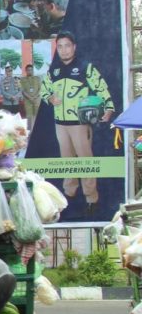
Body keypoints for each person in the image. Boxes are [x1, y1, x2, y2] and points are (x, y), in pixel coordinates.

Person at [40, 31, 115, 215]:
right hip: (60, 124)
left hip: (79, 123)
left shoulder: (85, 67)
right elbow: (43, 90)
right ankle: (69, 194)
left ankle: (91, 198)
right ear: (57, 49)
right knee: (66, 160)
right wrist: (50, 98)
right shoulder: (53, 71)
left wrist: (109, 107)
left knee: (85, 160)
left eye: (67, 46)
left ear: (74, 47)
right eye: (60, 46)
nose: (64, 50)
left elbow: (101, 87)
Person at [19, 64, 42, 130]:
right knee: (29, 117)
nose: (30, 71)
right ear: (26, 71)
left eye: (31, 70)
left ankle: (38, 130)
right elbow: (22, 90)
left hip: (36, 100)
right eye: (28, 70)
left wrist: (35, 97)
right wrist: (30, 97)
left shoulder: (37, 78)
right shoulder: (22, 80)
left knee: (37, 116)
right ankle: (29, 131)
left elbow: (40, 89)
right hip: (27, 100)